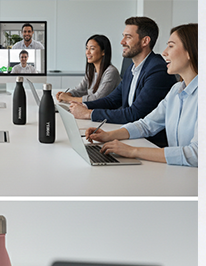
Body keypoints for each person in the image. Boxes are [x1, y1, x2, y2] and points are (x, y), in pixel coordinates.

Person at [85, 23, 197, 167]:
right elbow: (147, 124)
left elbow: (196, 154)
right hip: (179, 170)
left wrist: (133, 151)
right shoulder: (176, 90)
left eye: (171, 46)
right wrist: (108, 135)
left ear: (190, 52)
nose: (164, 52)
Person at [70, 16, 178, 148]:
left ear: (145, 41)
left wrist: (89, 114)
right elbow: (112, 100)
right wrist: (84, 106)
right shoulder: (131, 68)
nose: (122, 42)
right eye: (123, 36)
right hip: (133, 135)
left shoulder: (157, 70)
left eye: (128, 37)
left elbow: (135, 114)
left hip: (150, 143)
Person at [57, 35, 121, 103]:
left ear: (103, 52)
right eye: (87, 48)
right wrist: (67, 94)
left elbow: (98, 99)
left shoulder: (111, 72)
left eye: (92, 49)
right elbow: (79, 90)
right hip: (94, 108)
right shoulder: (91, 71)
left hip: (107, 109)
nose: (87, 52)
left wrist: (69, 98)